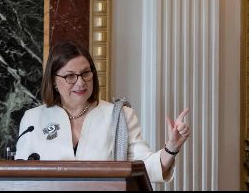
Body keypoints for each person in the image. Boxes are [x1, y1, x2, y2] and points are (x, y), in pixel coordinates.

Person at [14, 41, 190, 183]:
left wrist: (171, 148)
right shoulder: (33, 119)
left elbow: (144, 168)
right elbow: (18, 178)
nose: (80, 83)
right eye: (70, 76)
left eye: (85, 73)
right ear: (53, 80)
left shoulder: (120, 116)